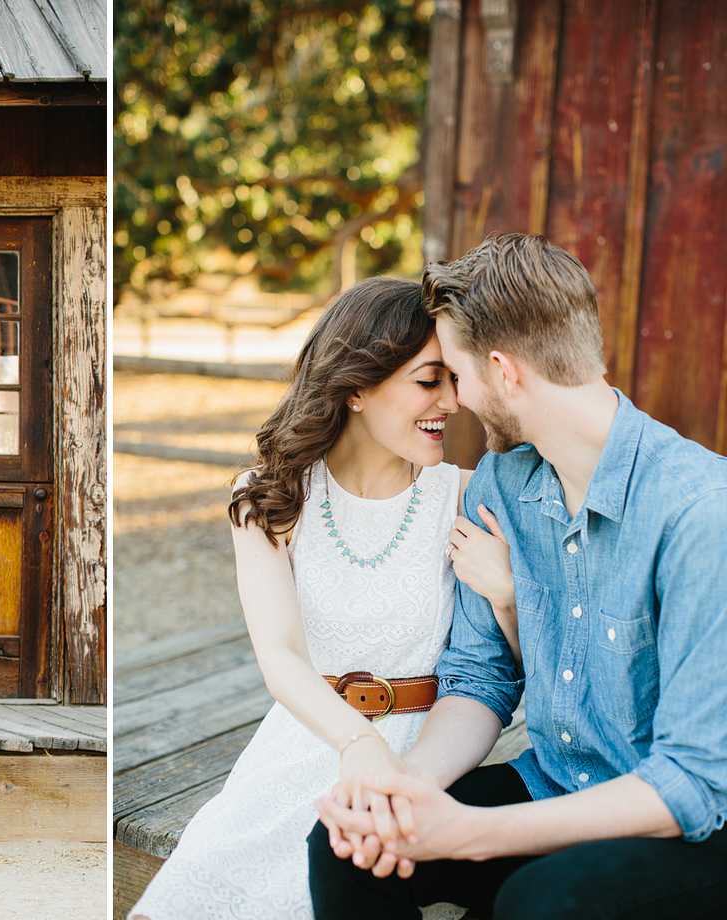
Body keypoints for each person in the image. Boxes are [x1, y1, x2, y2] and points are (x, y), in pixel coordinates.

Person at [307, 234, 727, 917]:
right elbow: (480, 678)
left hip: (687, 825)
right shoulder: (501, 486)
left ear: (504, 373)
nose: (456, 398)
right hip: (556, 785)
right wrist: (407, 787)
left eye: (457, 374)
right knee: (347, 846)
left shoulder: (700, 512)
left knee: (542, 901)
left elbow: (690, 785)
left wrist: (471, 833)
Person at [131, 276, 516, 920]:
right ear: (357, 387)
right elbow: (280, 655)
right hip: (310, 734)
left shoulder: (466, 495)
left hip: (430, 747)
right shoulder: (271, 498)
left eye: (454, 379)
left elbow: (505, 664)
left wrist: (506, 596)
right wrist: (354, 742)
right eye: (429, 381)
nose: (451, 402)